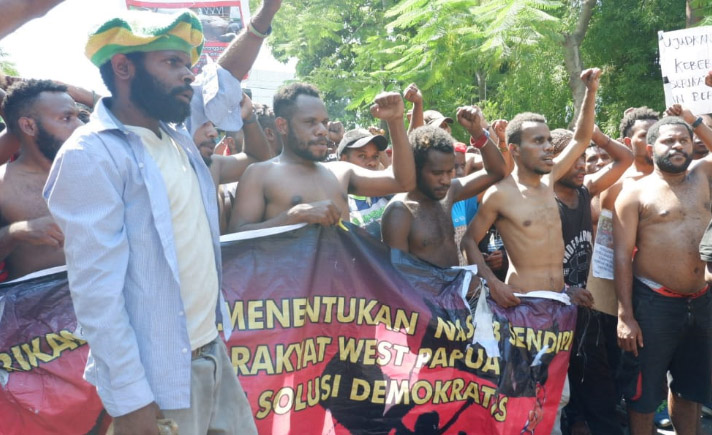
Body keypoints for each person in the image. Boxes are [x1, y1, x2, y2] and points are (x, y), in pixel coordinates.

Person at [43, 4, 281, 434]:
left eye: (188, 64)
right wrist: (132, 401)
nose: (188, 74)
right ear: (123, 67)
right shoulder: (91, 156)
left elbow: (224, 80)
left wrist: (267, 14)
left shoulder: (176, 137)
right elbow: (98, 297)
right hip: (158, 378)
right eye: (172, 62)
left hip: (211, 355)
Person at [614, 111, 712, 435]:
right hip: (653, 304)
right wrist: (625, 315)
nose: (678, 146)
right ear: (651, 147)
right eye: (668, 141)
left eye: (683, 140)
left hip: (701, 300)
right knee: (643, 395)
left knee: (691, 388)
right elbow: (621, 256)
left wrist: (691, 120)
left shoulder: (702, 176)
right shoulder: (634, 193)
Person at [228, 82, 416, 231]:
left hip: (342, 278)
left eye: (324, 122)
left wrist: (395, 121)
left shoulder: (341, 172)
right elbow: (237, 238)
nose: (322, 130)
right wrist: (293, 216)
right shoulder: (259, 174)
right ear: (282, 125)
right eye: (310, 122)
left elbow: (403, 182)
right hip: (289, 279)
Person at [551, 126, 632, 435]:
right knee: (555, 390)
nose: (582, 166)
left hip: (586, 311)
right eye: (574, 159)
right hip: (552, 310)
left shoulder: (585, 193)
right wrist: (563, 290)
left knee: (599, 389)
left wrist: (594, 136)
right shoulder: (542, 199)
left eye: (584, 159)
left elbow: (623, 158)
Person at [381, 106, 506, 269]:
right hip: (427, 294)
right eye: (437, 173)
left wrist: (478, 133)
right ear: (415, 168)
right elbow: (398, 279)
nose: (446, 180)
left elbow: (497, 171)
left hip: (456, 290)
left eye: (450, 171)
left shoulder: (449, 192)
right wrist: (446, 286)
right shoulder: (399, 213)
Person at [0, 80, 83, 280]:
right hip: (31, 303)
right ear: (28, 125)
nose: (80, 126)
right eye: (66, 118)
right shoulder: (3, 185)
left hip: (109, 294)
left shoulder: (100, 170)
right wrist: (16, 232)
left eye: (78, 117)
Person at [337, 128, 390, 238]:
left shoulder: (388, 192)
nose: (372, 163)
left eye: (375, 156)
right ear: (344, 160)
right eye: (362, 156)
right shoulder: (338, 203)